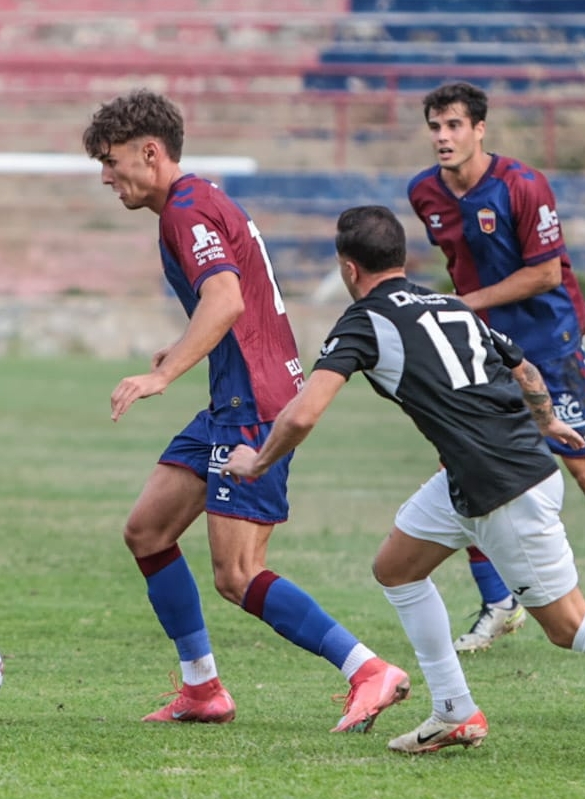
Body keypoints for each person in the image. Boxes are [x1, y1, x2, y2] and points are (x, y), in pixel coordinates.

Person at [222, 205, 585, 759]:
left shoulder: (365, 320)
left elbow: (303, 413)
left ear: (348, 268)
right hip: (483, 474)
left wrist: (257, 462)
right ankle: (454, 710)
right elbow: (524, 369)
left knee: (571, 624)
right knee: (396, 569)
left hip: (502, 487)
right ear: (401, 257)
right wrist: (547, 419)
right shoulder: (448, 305)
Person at [81, 90, 409, 732]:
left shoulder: (186, 210)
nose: (105, 175)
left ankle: (367, 670)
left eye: (112, 160)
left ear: (150, 152)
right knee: (147, 532)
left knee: (237, 573)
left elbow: (226, 299)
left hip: (253, 406)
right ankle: (202, 690)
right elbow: (229, 305)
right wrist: (180, 350)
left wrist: (164, 374)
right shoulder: (192, 202)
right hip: (234, 398)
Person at [407, 81, 585, 651]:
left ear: (479, 129)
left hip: (548, 345)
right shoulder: (424, 192)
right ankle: (498, 604)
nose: (443, 138)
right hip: (481, 349)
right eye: (435, 127)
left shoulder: (522, 185)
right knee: (466, 469)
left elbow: (545, 274)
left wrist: (463, 304)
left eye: (454, 126)